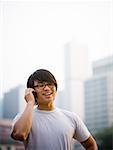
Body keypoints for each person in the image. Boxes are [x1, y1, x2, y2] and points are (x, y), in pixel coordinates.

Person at [11, 69, 98, 150]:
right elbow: (20, 134)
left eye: (50, 84)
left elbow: (91, 145)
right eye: (41, 85)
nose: (47, 88)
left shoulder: (71, 117)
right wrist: (30, 103)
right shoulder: (24, 118)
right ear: (32, 91)